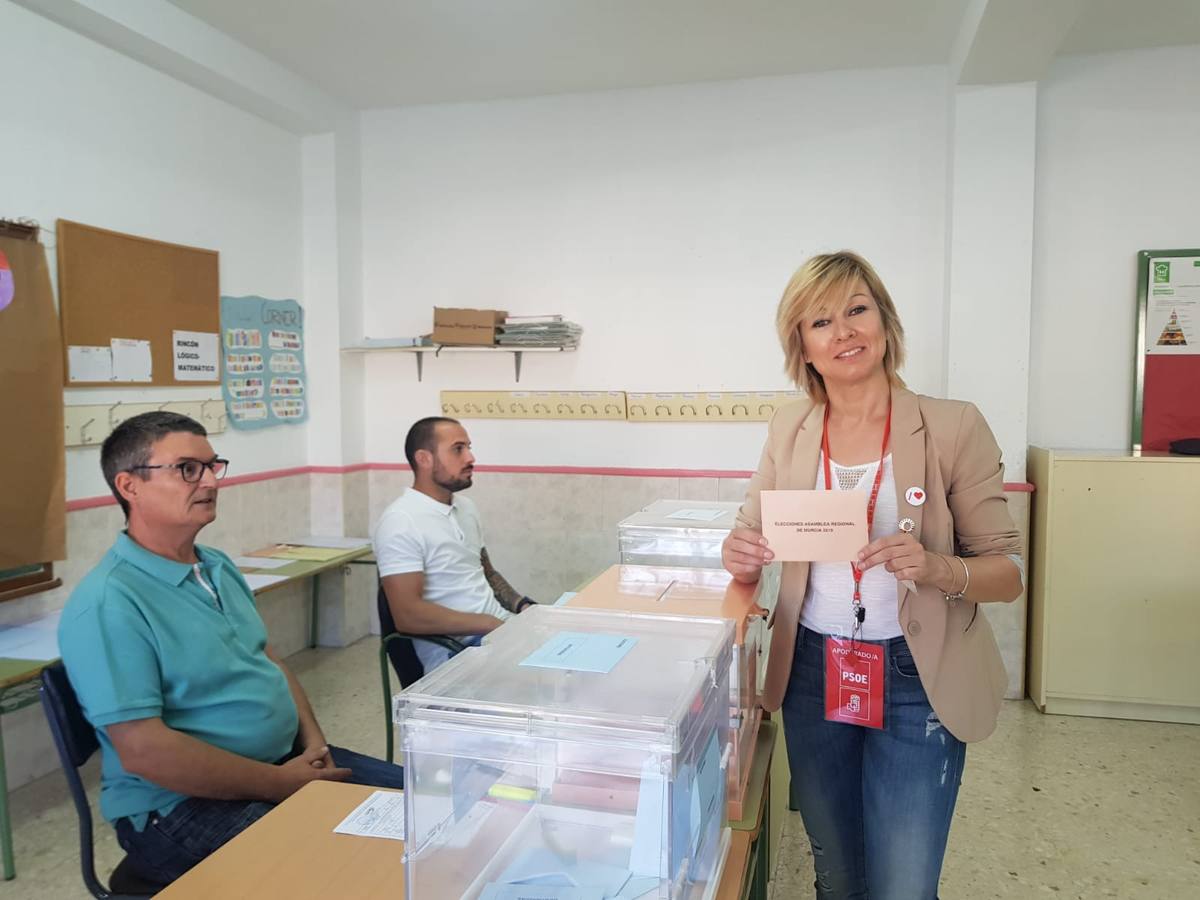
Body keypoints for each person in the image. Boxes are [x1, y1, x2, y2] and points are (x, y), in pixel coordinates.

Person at [721, 251, 1023, 899]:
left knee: (903, 886)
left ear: (884, 321)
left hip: (918, 677)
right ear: (802, 346)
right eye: (820, 321)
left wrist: (938, 567)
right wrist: (739, 554)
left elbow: (1006, 574)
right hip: (811, 669)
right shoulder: (790, 427)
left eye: (857, 310)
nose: (844, 332)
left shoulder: (952, 425)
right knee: (837, 874)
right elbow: (746, 533)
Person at [58, 412, 404, 886]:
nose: (209, 482)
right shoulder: (109, 602)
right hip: (178, 806)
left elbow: (266, 658)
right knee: (356, 874)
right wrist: (282, 785)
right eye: (187, 469)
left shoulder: (216, 566)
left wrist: (314, 745)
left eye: (211, 466)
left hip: (282, 764)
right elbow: (144, 751)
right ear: (129, 485)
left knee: (431, 812)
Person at [372, 416, 535, 673]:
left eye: (468, 447)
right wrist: (488, 624)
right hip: (456, 651)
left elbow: (487, 573)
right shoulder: (400, 521)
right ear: (424, 459)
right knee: (558, 677)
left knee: (577, 651)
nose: (470, 458)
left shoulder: (466, 508)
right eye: (458, 449)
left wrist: (524, 606)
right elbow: (408, 616)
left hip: (497, 631)